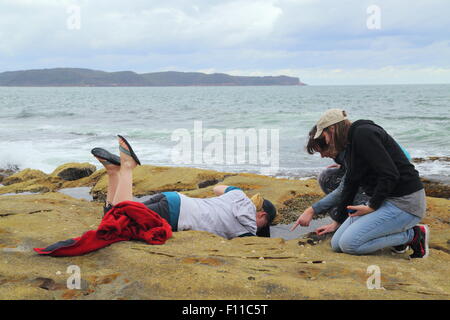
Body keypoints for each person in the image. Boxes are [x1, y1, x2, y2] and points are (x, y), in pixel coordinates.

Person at [292, 109, 429, 258]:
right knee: (337, 244)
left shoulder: (363, 134)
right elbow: (350, 184)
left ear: (332, 129)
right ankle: (393, 232)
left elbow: (390, 174)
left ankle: (413, 235)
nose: (326, 142)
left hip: (405, 203)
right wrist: (337, 221)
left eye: (323, 136)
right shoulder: (351, 145)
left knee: (350, 245)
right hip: (385, 200)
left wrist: (372, 206)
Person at [92, 135, 277, 240]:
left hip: (173, 199)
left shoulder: (237, 195)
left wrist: (241, 194)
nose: (260, 229)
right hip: (176, 215)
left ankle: (113, 173)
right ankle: (126, 167)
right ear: (262, 216)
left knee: (113, 220)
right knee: (122, 219)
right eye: (264, 225)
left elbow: (217, 188)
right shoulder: (249, 229)